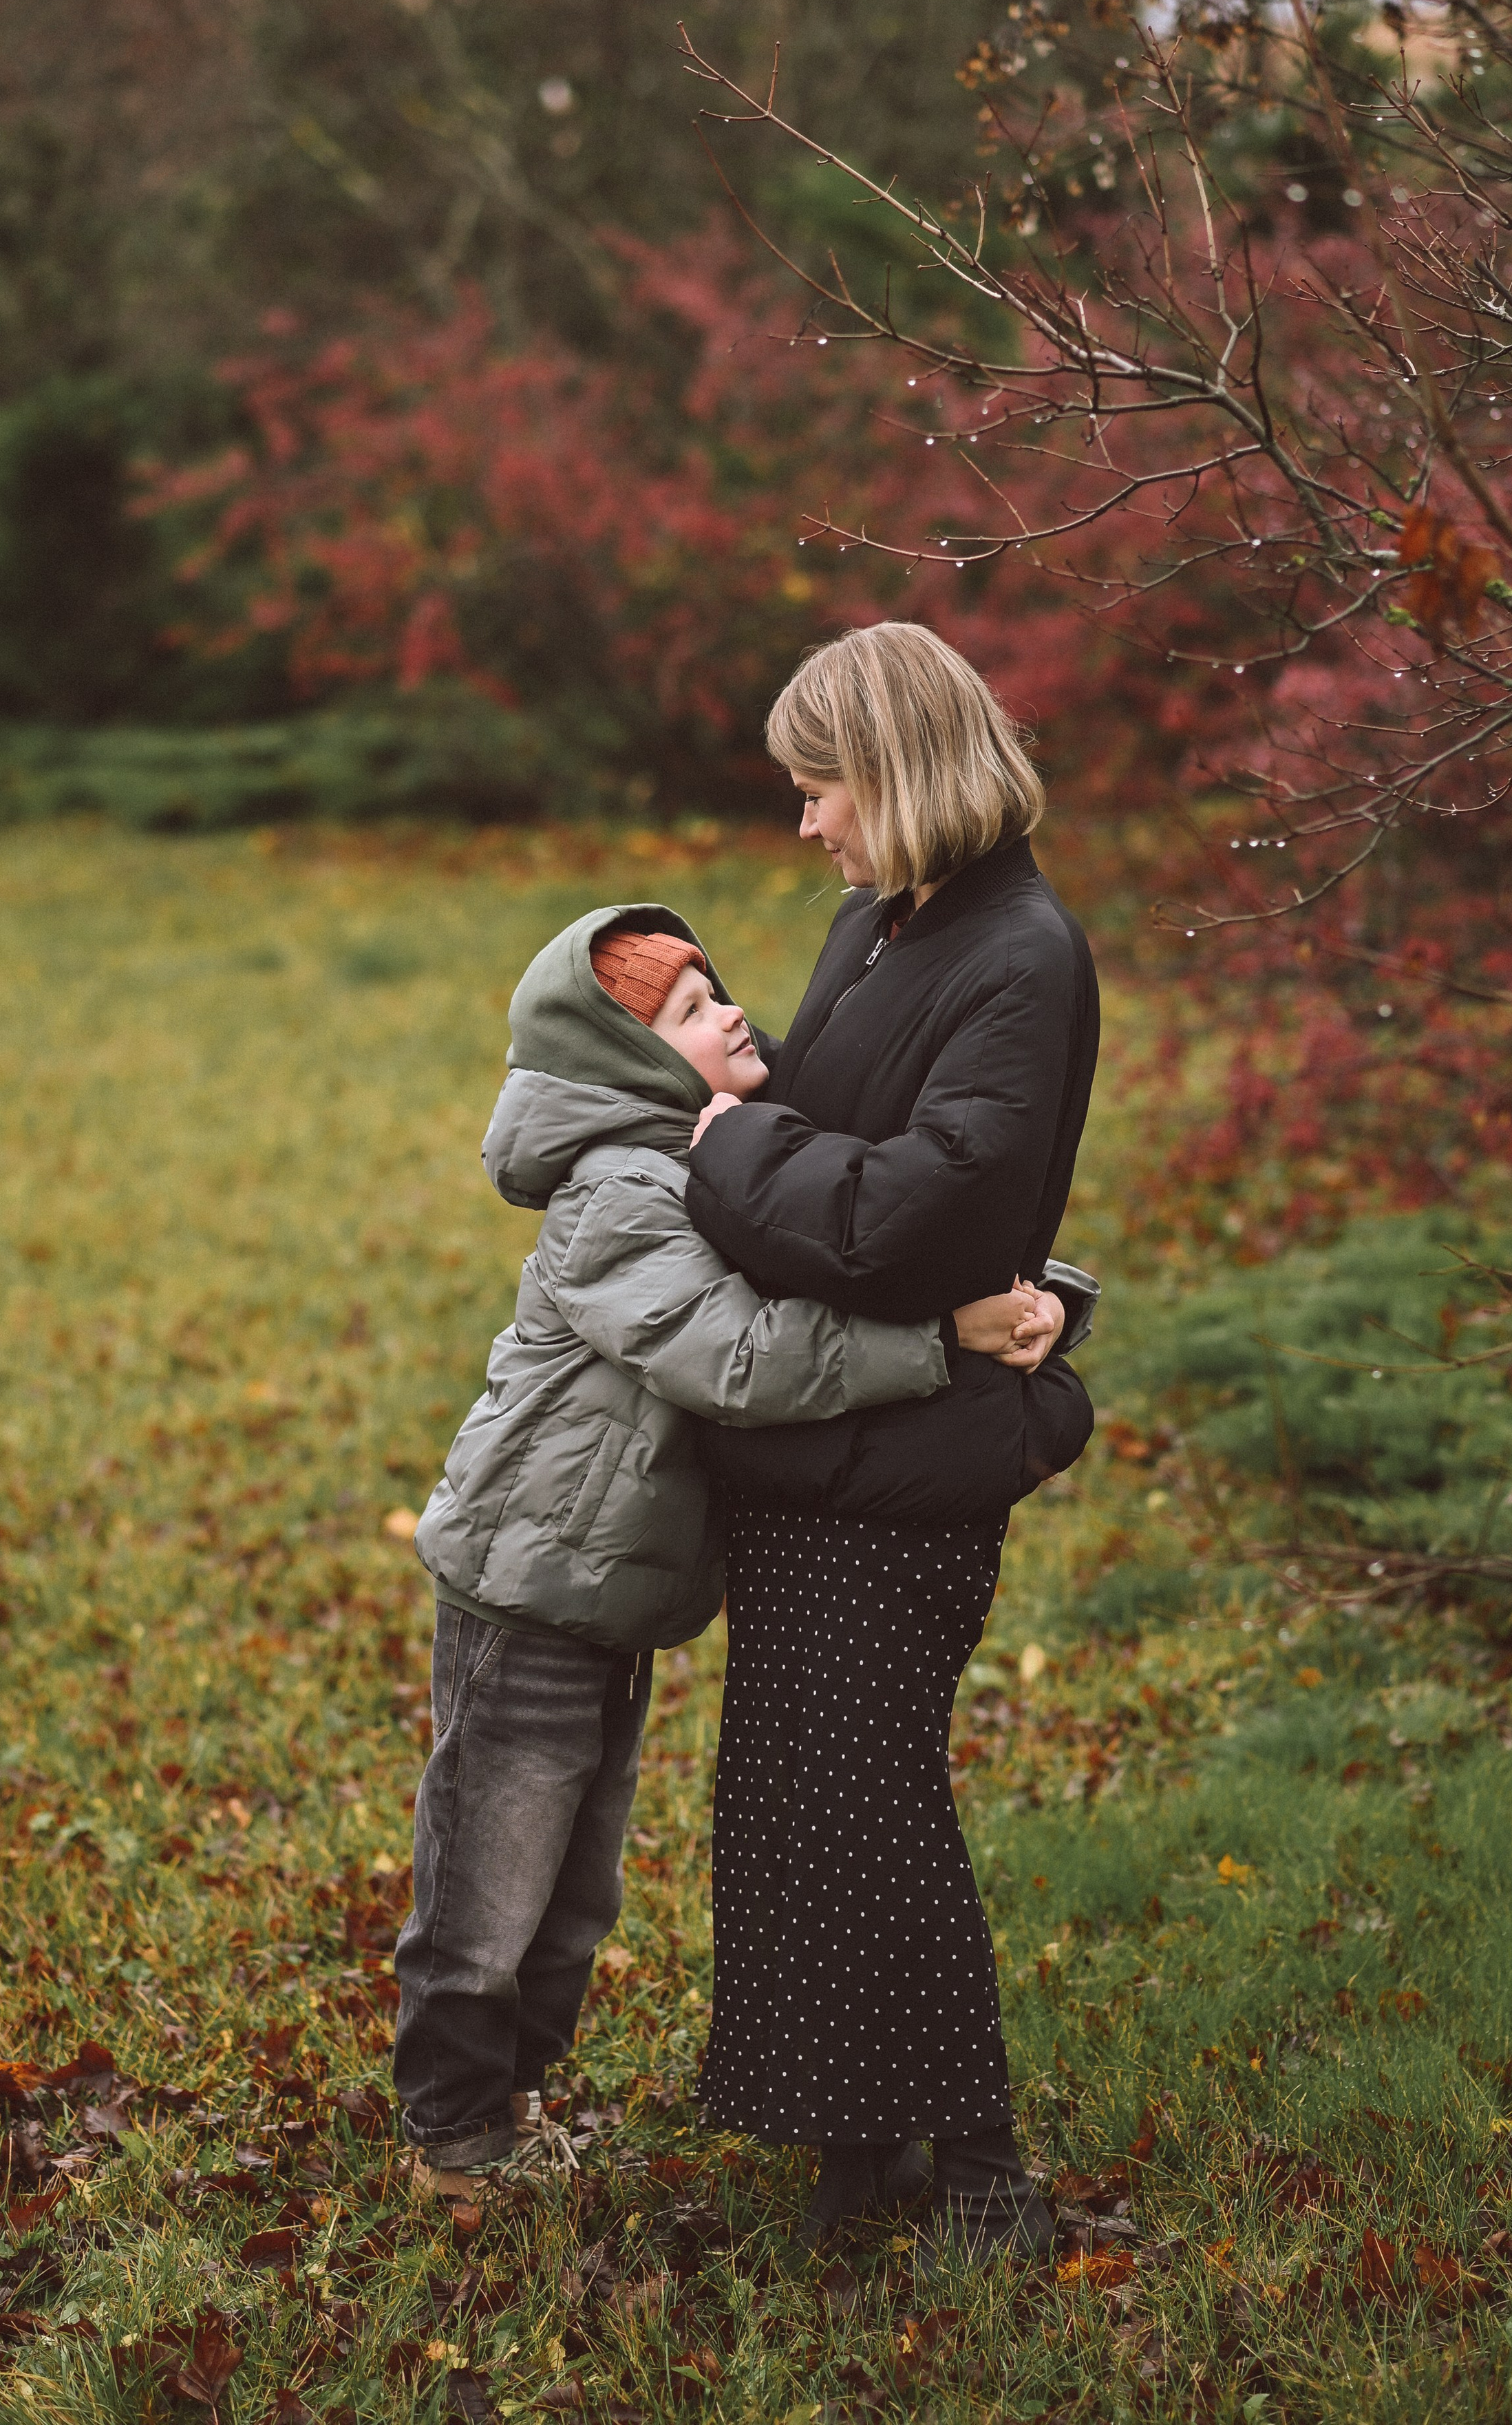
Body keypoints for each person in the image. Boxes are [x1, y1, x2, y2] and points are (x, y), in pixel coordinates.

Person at [392, 902, 1060, 2196]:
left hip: (606, 1591)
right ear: (633, 1061)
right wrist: (942, 1339)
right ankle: (455, 2137)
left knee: (574, 1890)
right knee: (491, 1878)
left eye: (717, 989)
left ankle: (516, 2105)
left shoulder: (702, 1164)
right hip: (526, 1581)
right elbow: (739, 1359)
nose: (734, 1012)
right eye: (694, 1013)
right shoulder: (622, 1195)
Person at [685, 621, 1100, 2266]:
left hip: (909, 1458)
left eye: (822, 787)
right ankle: (850, 2149)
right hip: (810, 1435)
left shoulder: (1020, 955)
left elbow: (897, 1215)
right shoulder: (881, 920)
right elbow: (839, 1139)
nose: (806, 825)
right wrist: (750, 1124)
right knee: (796, 1807)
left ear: (902, 770)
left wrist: (726, 1142)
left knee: (874, 1813)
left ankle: (984, 2170)